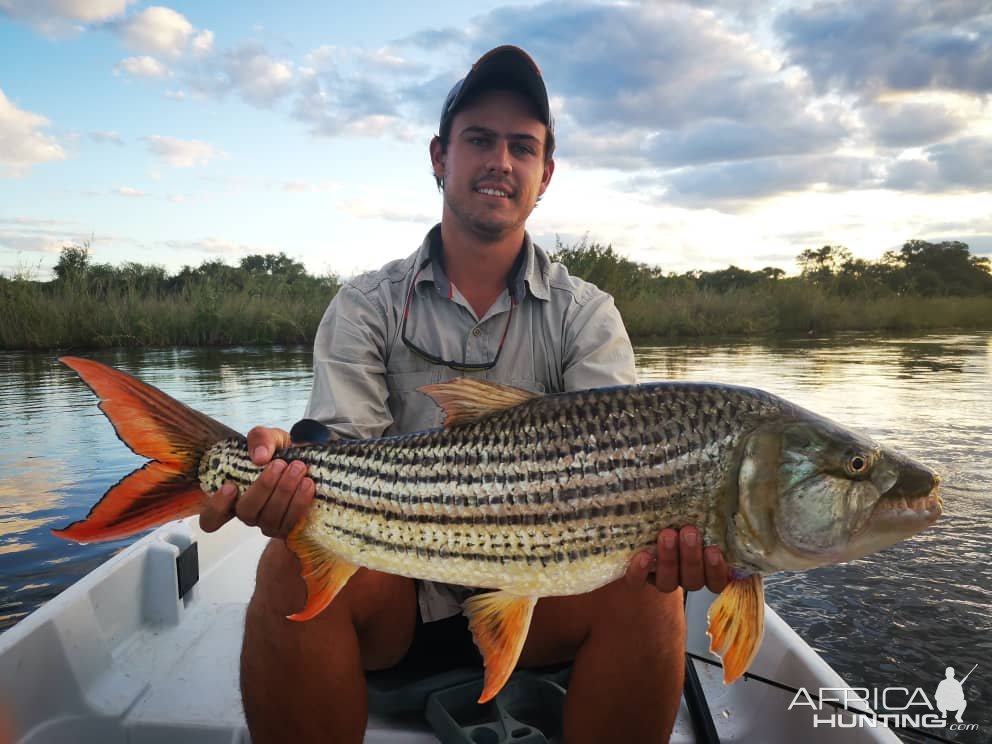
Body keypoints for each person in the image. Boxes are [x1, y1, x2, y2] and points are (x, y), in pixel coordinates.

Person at [200, 45, 730, 743]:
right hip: (396, 601)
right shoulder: (365, 305)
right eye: (479, 139)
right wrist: (281, 476)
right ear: (439, 156)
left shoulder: (587, 314)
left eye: (522, 146)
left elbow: (622, 458)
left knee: (655, 591)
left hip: (546, 600)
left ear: (546, 172)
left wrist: (690, 536)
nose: (500, 162)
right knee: (289, 561)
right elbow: (337, 455)